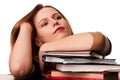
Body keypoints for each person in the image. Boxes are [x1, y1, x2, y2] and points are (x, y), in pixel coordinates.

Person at [9, 3, 112, 79]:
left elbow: (100, 40)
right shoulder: (39, 63)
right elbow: (19, 69)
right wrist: (26, 26)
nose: (55, 22)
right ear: (37, 41)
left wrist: (46, 47)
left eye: (58, 17)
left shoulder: (86, 43)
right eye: (44, 24)